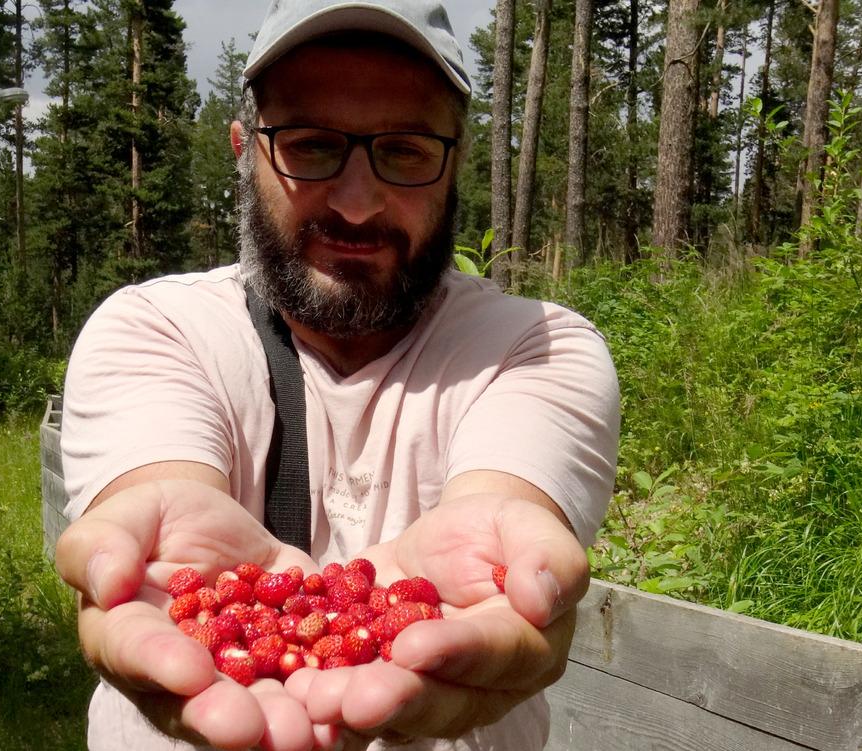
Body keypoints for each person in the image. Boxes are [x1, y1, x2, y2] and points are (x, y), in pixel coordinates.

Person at [53, 1, 620, 749]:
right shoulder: (153, 328)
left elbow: (503, 502)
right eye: (313, 145)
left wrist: (504, 546)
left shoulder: (538, 345)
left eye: (407, 150)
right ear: (244, 150)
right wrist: (168, 540)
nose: (357, 202)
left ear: (456, 161)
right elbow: (164, 495)